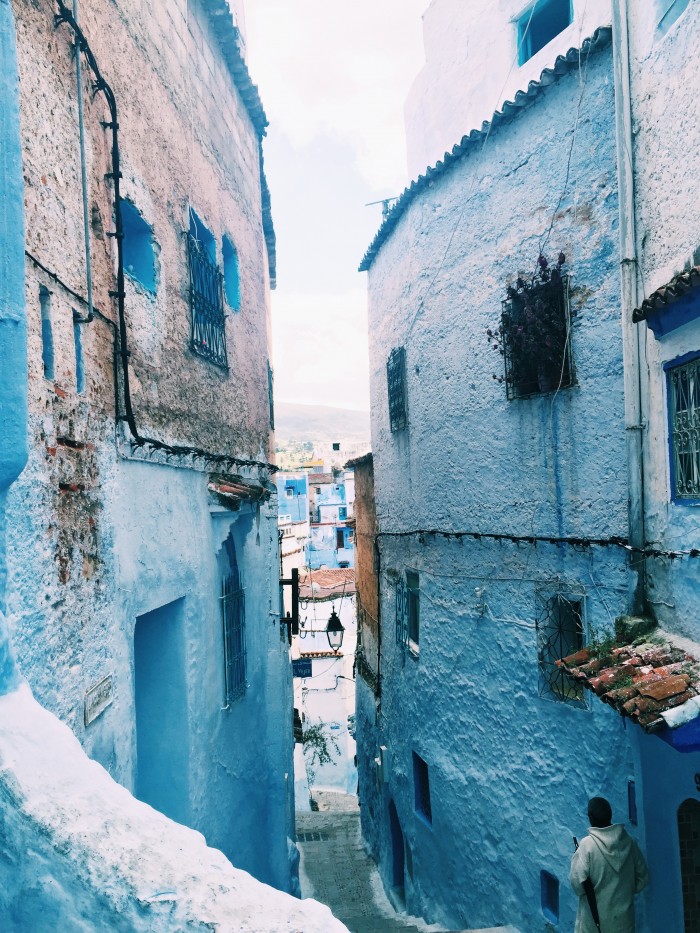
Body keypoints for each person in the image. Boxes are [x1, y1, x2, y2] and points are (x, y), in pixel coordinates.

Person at [570, 796, 648, 933]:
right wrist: (626, 891)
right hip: (624, 922)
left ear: (590, 817)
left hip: (595, 924)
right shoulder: (629, 842)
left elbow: (578, 886)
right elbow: (643, 877)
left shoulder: (587, 846)